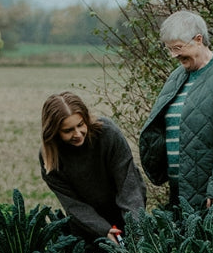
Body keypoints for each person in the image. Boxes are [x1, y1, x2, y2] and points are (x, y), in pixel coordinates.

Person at [139, 10, 213, 213]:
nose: (173, 55)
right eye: (169, 49)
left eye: (177, 48)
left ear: (198, 39)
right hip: (183, 194)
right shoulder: (177, 77)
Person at [39, 91, 146, 244]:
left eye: (80, 125)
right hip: (87, 228)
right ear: (53, 132)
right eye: (68, 130)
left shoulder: (108, 134)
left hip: (128, 214)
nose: (78, 134)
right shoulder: (50, 158)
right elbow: (73, 205)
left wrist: (136, 229)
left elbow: (129, 186)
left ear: (86, 119)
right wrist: (103, 230)